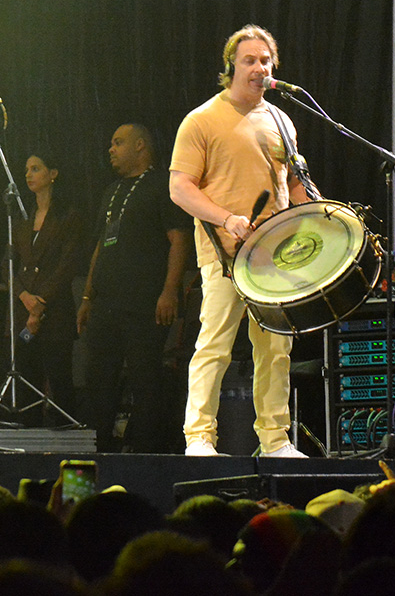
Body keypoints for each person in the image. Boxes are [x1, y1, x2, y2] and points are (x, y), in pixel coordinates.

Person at [168, 24, 312, 457]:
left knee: (276, 349)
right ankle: (199, 438)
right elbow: (180, 188)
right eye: (249, 60)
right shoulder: (201, 119)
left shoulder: (282, 121)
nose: (259, 68)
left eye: (266, 61)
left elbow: (294, 184)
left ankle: (275, 441)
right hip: (225, 255)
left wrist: (321, 220)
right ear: (231, 65)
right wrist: (226, 218)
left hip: (276, 255)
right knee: (215, 345)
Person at [78, 124, 192, 453]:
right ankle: (99, 450)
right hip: (105, 304)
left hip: (144, 303)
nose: (111, 149)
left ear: (140, 145)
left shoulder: (162, 185)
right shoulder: (110, 191)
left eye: (118, 143)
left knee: (145, 379)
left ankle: (146, 455)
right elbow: (100, 247)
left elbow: (179, 239)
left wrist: (169, 290)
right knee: (99, 379)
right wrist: (87, 296)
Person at [7, 151, 86, 424]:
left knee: (59, 376)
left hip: (54, 310)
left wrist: (40, 303)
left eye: (36, 168)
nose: (28, 175)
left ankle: (65, 434)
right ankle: (29, 433)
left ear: (53, 174)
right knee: (27, 378)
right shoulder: (22, 219)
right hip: (23, 309)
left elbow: (67, 265)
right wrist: (23, 296)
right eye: (27, 169)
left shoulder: (69, 217)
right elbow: (7, 264)